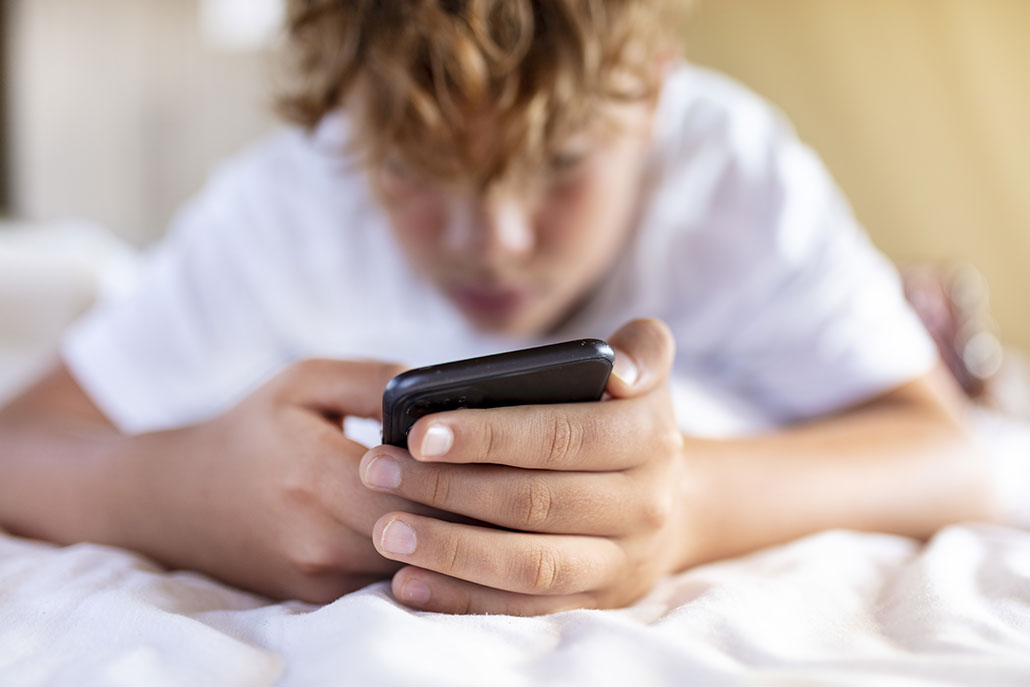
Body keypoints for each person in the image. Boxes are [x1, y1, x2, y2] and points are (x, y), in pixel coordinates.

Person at [0, 0, 997, 615]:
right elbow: (21, 443)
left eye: (560, 164)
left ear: (653, 91)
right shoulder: (289, 199)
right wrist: (175, 493)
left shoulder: (730, 174)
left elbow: (953, 456)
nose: (493, 240)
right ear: (351, 109)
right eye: (417, 168)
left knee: (929, 344)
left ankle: (918, 306)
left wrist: (689, 508)